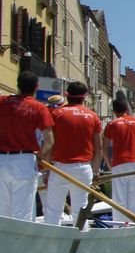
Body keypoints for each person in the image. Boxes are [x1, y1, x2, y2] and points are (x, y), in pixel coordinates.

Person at [0, 71, 54, 221]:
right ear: (36, 87)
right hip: (25, 159)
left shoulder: (3, 101)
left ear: (18, 86)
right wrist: (39, 156)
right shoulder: (39, 108)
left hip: (3, 161)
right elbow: (50, 141)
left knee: (1, 209)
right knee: (23, 211)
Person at [43, 81, 102, 226]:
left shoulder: (56, 114)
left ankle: (52, 242)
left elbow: (50, 144)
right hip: (83, 169)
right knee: (80, 211)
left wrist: (46, 170)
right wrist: (95, 172)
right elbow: (99, 148)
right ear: (85, 97)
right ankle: (80, 241)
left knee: (53, 211)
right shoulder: (93, 116)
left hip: (59, 168)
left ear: (66, 95)